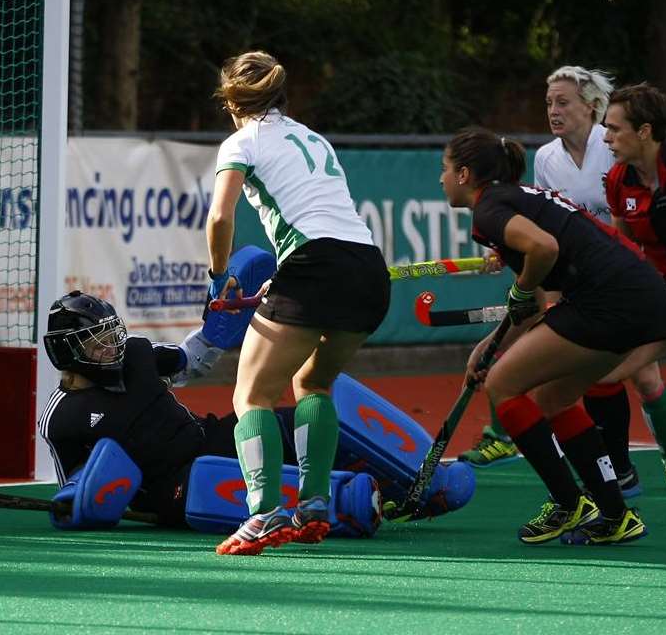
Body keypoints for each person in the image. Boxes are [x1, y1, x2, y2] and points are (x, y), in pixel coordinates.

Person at [38, 290, 470, 533]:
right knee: (335, 497)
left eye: (111, 333)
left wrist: (219, 321)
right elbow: (72, 486)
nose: (111, 345)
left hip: (211, 438)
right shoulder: (61, 418)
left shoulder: (137, 353)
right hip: (178, 487)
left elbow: (192, 360)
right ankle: (342, 504)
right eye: (96, 340)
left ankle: (426, 479)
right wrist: (78, 500)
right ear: (66, 351)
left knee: (301, 420)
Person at [442, 126, 666, 545]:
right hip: (642, 296)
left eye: (445, 169)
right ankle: (616, 515)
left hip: (610, 300)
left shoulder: (490, 208)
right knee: (553, 398)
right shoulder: (517, 200)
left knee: (502, 385)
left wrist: (520, 289)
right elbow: (529, 307)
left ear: (464, 174)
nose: (440, 180)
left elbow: (542, 252)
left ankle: (569, 503)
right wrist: (487, 346)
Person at [204, 51, 391, 555]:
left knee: (251, 396)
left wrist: (218, 276)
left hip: (314, 268)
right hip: (367, 270)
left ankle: (263, 513)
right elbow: (326, 220)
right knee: (313, 382)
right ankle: (313, 504)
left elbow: (221, 219)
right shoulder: (313, 136)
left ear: (230, 101)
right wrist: (289, 277)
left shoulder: (242, 142)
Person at [602, 82, 666, 488]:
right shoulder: (620, 179)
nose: (606, 137)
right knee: (633, 370)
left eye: (615, 129)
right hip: (664, 288)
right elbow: (621, 244)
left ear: (644, 132)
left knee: (619, 370)